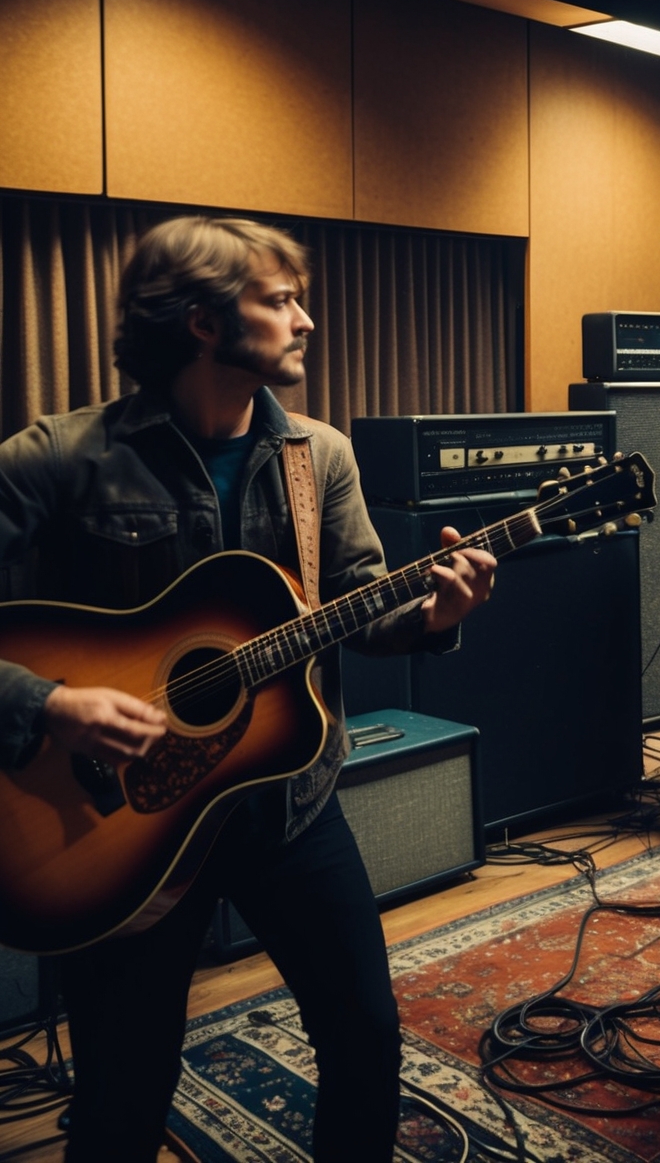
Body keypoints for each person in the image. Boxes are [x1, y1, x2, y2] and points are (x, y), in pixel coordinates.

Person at [0, 216, 495, 1163]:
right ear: (202, 322)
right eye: (281, 300)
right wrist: (51, 705)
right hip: (120, 828)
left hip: (290, 809)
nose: (306, 321)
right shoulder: (61, 459)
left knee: (365, 1040)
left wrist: (434, 615)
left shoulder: (321, 456)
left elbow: (359, 605)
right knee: (121, 1091)